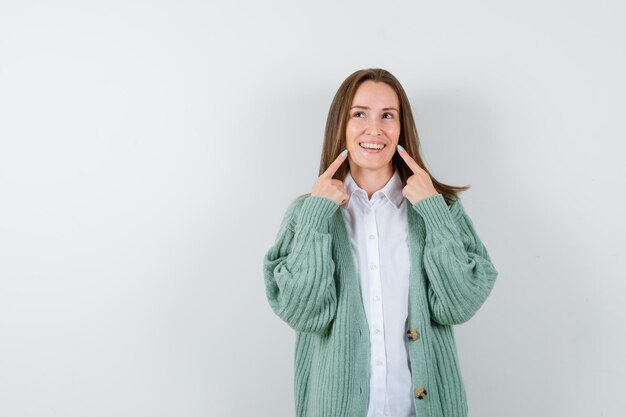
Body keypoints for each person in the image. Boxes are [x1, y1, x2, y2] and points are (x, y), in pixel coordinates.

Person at [262, 68, 498, 417]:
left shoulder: (439, 208)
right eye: (359, 115)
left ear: (402, 128)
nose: (374, 130)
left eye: (388, 115)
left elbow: (460, 303)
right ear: (341, 125)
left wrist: (432, 211)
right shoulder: (307, 213)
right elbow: (302, 311)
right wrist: (316, 216)